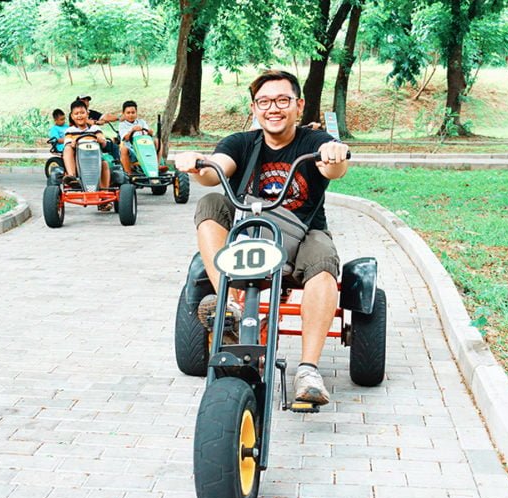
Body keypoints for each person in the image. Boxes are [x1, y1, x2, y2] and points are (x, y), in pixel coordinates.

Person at [174, 70, 350, 406]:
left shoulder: (313, 142)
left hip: (303, 230)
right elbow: (215, 171)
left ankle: (308, 370)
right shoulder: (241, 143)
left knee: (324, 265)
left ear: (298, 106)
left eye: (283, 101)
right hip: (250, 229)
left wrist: (334, 156)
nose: (274, 109)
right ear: (255, 108)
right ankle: (227, 306)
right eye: (265, 102)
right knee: (210, 203)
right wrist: (197, 165)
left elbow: (332, 167)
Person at [62, 99, 111, 193]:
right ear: (72, 116)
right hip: (78, 160)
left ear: (87, 114)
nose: (79, 116)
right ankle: (72, 176)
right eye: (76, 114)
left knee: (105, 164)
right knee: (67, 148)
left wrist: (100, 139)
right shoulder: (70, 131)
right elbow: (69, 143)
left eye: (82, 113)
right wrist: (74, 141)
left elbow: (103, 142)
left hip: (95, 158)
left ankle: (104, 193)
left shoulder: (95, 128)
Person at [118, 100, 159, 175]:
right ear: (123, 114)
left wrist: (149, 132)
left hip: (144, 148)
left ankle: (157, 165)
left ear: (136, 113)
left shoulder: (142, 122)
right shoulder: (122, 125)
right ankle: (128, 174)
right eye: (128, 113)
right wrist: (132, 131)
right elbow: (125, 138)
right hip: (132, 150)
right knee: (123, 149)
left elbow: (148, 134)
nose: (131, 115)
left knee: (157, 141)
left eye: (133, 112)